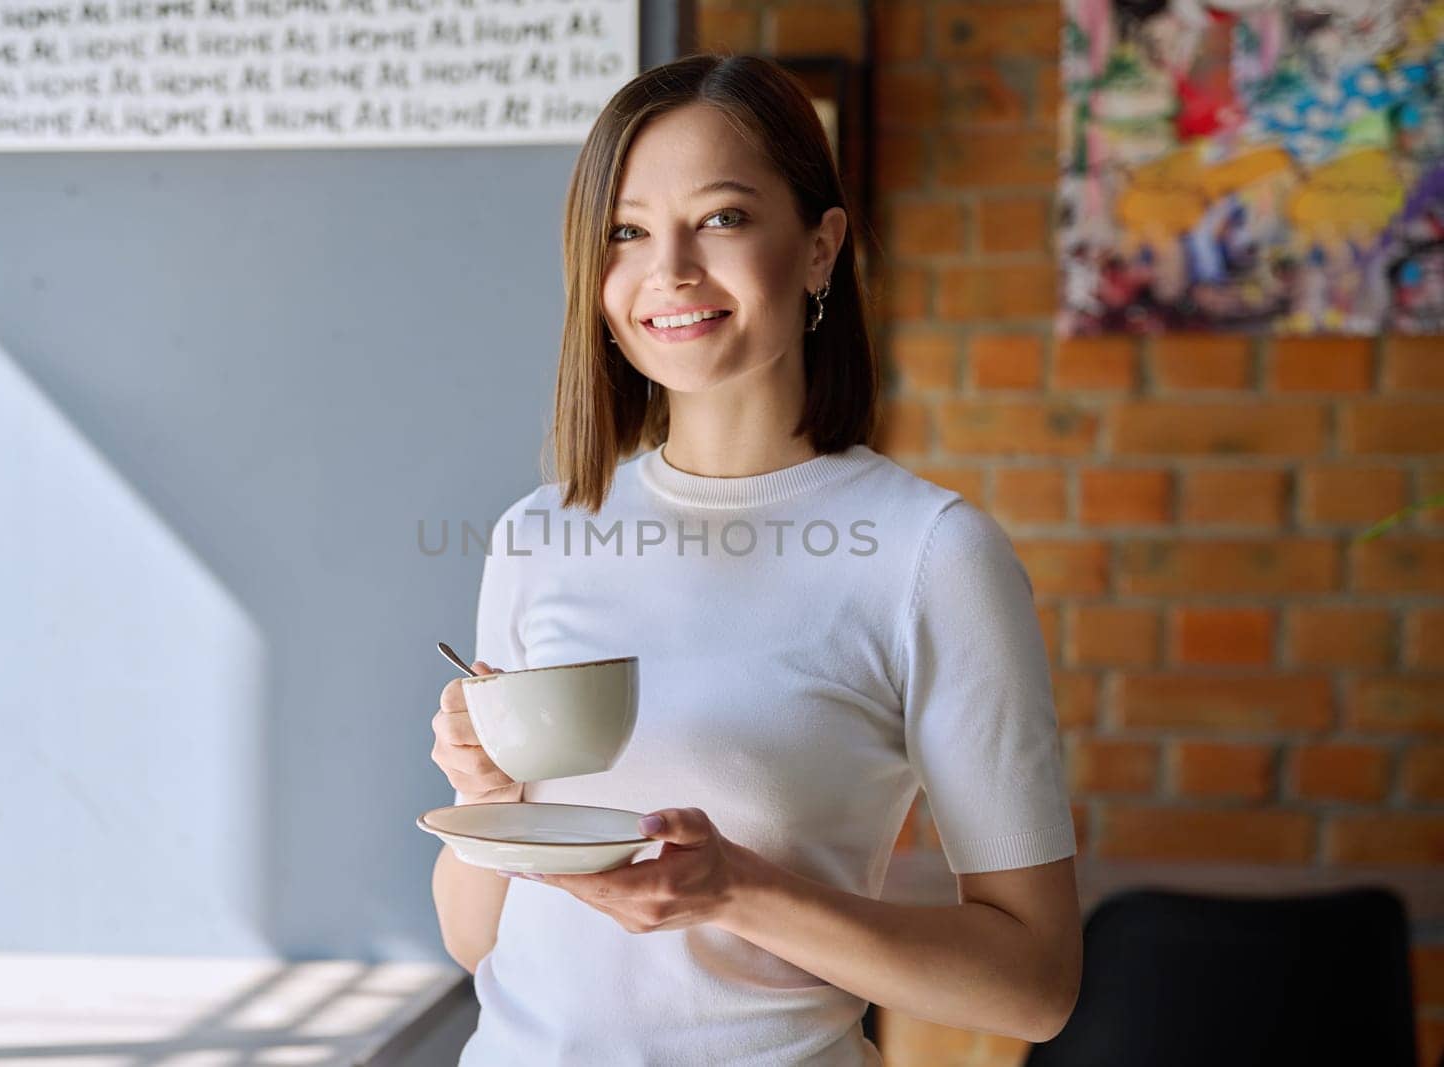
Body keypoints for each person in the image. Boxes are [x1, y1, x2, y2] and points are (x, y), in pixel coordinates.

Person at [429, 53, 1082, 1065]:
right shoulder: (539, 530)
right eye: (628, 231)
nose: (671, 270)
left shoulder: (930, 553)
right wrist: (491, 798)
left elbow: (1033, 985)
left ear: (820, 247)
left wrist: (737, 886)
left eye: (722, 217)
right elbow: (481, 940)